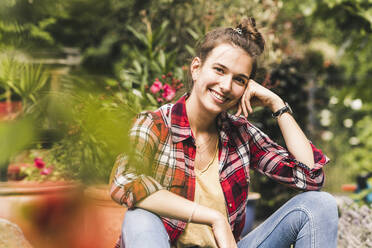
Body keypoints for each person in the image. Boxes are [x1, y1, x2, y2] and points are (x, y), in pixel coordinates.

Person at [110, 18, 338, 248]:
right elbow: (124, 182)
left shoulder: (240, 133)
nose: (227, 86)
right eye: (219, 70)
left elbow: (310, 179)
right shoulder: (154, 124)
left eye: (239, 80)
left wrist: (276, 104)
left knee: (320, 205)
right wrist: (214, 218)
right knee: (138, 217)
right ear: (196, 68)